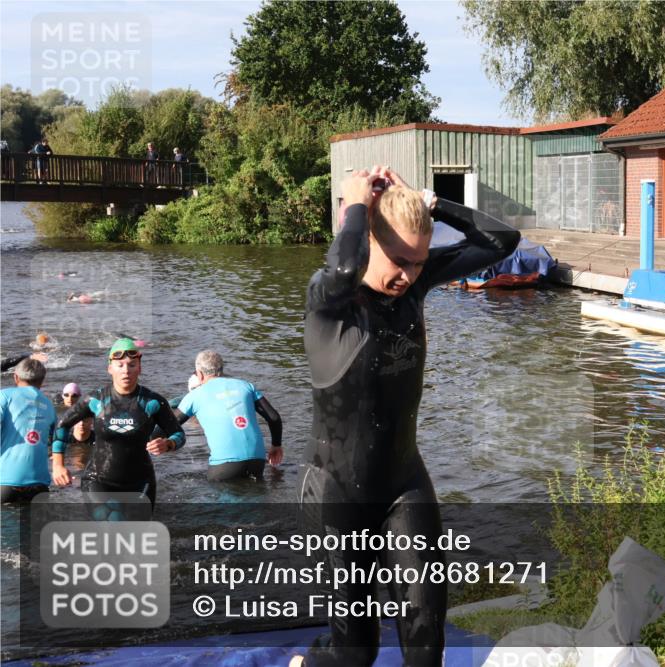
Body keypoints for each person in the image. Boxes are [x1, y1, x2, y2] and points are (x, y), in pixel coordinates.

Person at [295, 166, 519, 666]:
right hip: (336, 491)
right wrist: (356, 203)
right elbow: (342, 270)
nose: (409, 275)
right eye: (399, 261)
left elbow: (503, 240)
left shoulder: (413, 286)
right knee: (356, 655)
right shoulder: (329, 301)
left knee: (425, 645)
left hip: (402, 483)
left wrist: (436, 207)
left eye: (419, 263)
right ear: (369, 238)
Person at [52, 338, 185, 506]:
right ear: (110, 368)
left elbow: (179, 434)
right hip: (98, 481)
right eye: (120, 365)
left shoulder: (153, 402)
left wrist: (169, 444)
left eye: (132, 365)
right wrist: (58, 465)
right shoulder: (96, 400)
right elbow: (63, 425)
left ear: (139, 368)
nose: (126, 371)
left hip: (140, 483)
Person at [174, 350, 282, 481]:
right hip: (257, 460)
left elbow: (169, 424)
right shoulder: (246, 386)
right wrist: (276, 445)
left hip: (224, 466)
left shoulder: (194, 395)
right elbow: (274, 417)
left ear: (200, 374)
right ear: (221, 370)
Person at [1, 358, 69, 503]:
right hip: (40, 485)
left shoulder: (4, 396)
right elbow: (58, 438)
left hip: (6, 482)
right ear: (42, 381)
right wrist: (58, 465)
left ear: (16, 377)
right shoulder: (49, 405)